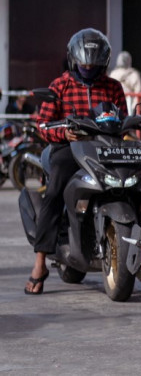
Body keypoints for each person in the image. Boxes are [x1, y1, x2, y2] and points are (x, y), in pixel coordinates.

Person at [25, 29, 127, 295]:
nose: (88, 69)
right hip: (67, 148)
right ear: (74, 60)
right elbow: (43, 125)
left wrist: (128, 132)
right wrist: (64, 132)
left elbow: (124, 120)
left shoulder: (113, 87)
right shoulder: (60, 86)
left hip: (105, 148)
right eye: (84, 64)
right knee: (55, 190)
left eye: (93, 65)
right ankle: (39, 264)